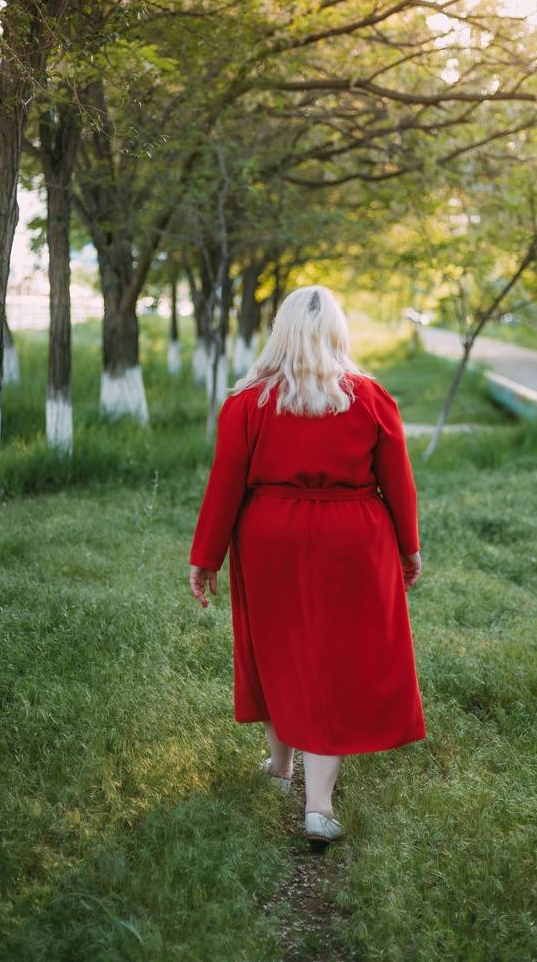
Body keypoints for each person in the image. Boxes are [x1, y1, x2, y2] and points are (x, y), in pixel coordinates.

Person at [188, 285, 425, 846]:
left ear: (281, 333)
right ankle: (318, 806)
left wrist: (206, 558)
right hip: (354, 539)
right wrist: (409, 548)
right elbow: (400, 484)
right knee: (335, 663)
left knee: (278, 647)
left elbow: (224, 486)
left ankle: (279, 768)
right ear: (337, 333)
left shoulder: (248, 402)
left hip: (270, 538)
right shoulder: (369, 397)